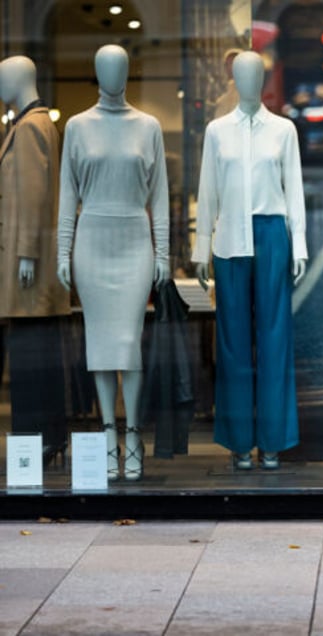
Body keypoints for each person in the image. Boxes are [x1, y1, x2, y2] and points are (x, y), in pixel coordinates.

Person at [57, 44, 170, 481]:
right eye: (105, 65)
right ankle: (108, 432)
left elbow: (159, 196)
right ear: (95, 71)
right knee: (100, 345)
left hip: (134, 240)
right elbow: (68, 195)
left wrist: (164, 253)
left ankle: (135, 432)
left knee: (129, 344)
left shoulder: (149, 126)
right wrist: (63, 249)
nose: (112, 72)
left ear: (128, 71)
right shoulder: (77, 126)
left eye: (120, 65)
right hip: (92, 240)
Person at [193, 51, 307, 470]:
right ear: (233, 79)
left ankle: (273, 440)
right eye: (242, 74)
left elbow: (293, 189)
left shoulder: (283, 130)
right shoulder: (216, 131)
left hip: (272, 233)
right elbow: (208, 190)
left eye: (255, 74)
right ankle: (240, 441)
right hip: (229, 237)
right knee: (233, 342)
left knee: (276, 340)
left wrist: (299, 246)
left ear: (264, 80)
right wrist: (199, 246)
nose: (248, 81)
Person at [0, 55, 70, 465]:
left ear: (17, 78)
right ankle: (49, 439)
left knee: (29, 359)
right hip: (31, 266)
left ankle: (37, 441)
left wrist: (26, 254)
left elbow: (33, 195)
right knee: (39, 354)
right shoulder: (35, 124)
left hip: (26, 267)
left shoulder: (29, 128)